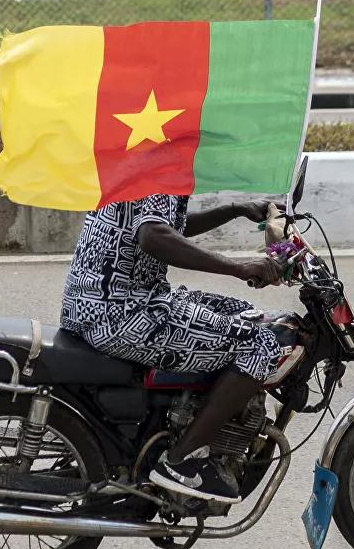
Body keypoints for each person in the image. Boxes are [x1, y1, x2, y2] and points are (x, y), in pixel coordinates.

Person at [60, 193, 284, 503]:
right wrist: (238, 267)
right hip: (121, 311)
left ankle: (182, 425)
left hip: (101, 301)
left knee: (247, 313)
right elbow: (154, 235)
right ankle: (181, 461)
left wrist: (235, 210)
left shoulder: (146, 164)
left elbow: (169, 225)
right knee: (260, 344)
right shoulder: (160, 169)